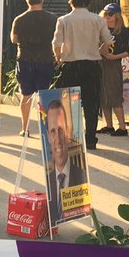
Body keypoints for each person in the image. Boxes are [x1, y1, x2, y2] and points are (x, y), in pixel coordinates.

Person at [52, 0, 110, 151]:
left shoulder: (63, 20)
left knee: (70, 103)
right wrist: (102, 50)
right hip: (92, 65)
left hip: (70, 65)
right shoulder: (98, 20)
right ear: (89, 1)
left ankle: (72, 137)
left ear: (71, 1)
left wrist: (58, 58)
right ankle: (90, 139)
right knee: (92, 103)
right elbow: (108, 39)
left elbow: (56, 43)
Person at [10, 0, 58, 137]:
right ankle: (46, 128)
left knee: (26, 95)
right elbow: (57, 39)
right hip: (45, 60)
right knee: (44, 95)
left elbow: (14, 39)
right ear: (42, 0)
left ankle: (25, 128)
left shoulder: (19, 19)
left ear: (27, 1)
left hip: (25, 59)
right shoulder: (52, 19)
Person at [42, 95, 86, 224]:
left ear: (68, 131)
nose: (58, 140)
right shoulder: (48, 180)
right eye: (53, 131)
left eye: (61, 130)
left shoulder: (82, 178)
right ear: (49, 137)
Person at [99, 3, 129, 137]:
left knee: (114, 94)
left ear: (117, 16)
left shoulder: (122, 32)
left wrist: (115, 56)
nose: (107, 17)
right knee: (103, 96)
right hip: (100, 63)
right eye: (105, 14)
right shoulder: (100, 29)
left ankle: (122, 127)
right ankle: (109, 125)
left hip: (113, 64)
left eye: (110, 14)